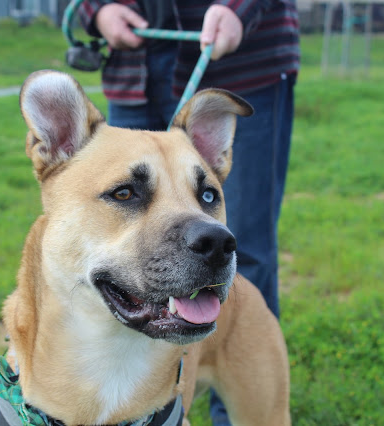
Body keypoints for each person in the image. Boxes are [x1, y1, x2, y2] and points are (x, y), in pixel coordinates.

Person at [80, 1, 299, 424]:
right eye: (127, 193)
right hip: (136, 63)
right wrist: (100, 9)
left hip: (242, 58)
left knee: (238, 254)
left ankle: (226, 393)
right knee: (118, 261)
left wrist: (239, 8)